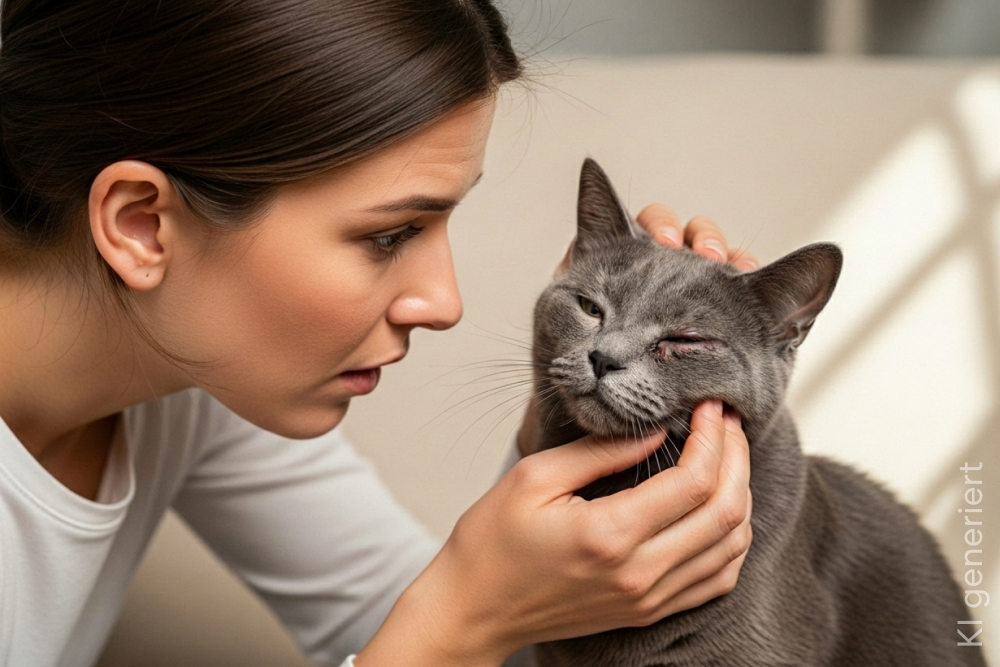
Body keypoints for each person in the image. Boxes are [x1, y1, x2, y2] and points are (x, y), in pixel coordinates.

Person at [0, 1, 756, 665]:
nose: (444, 301)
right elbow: (443, 634)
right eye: (391, 234)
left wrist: (561, 411)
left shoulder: (191, 376)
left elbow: (414, 624)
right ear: (142, 225)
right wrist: (466, 622)